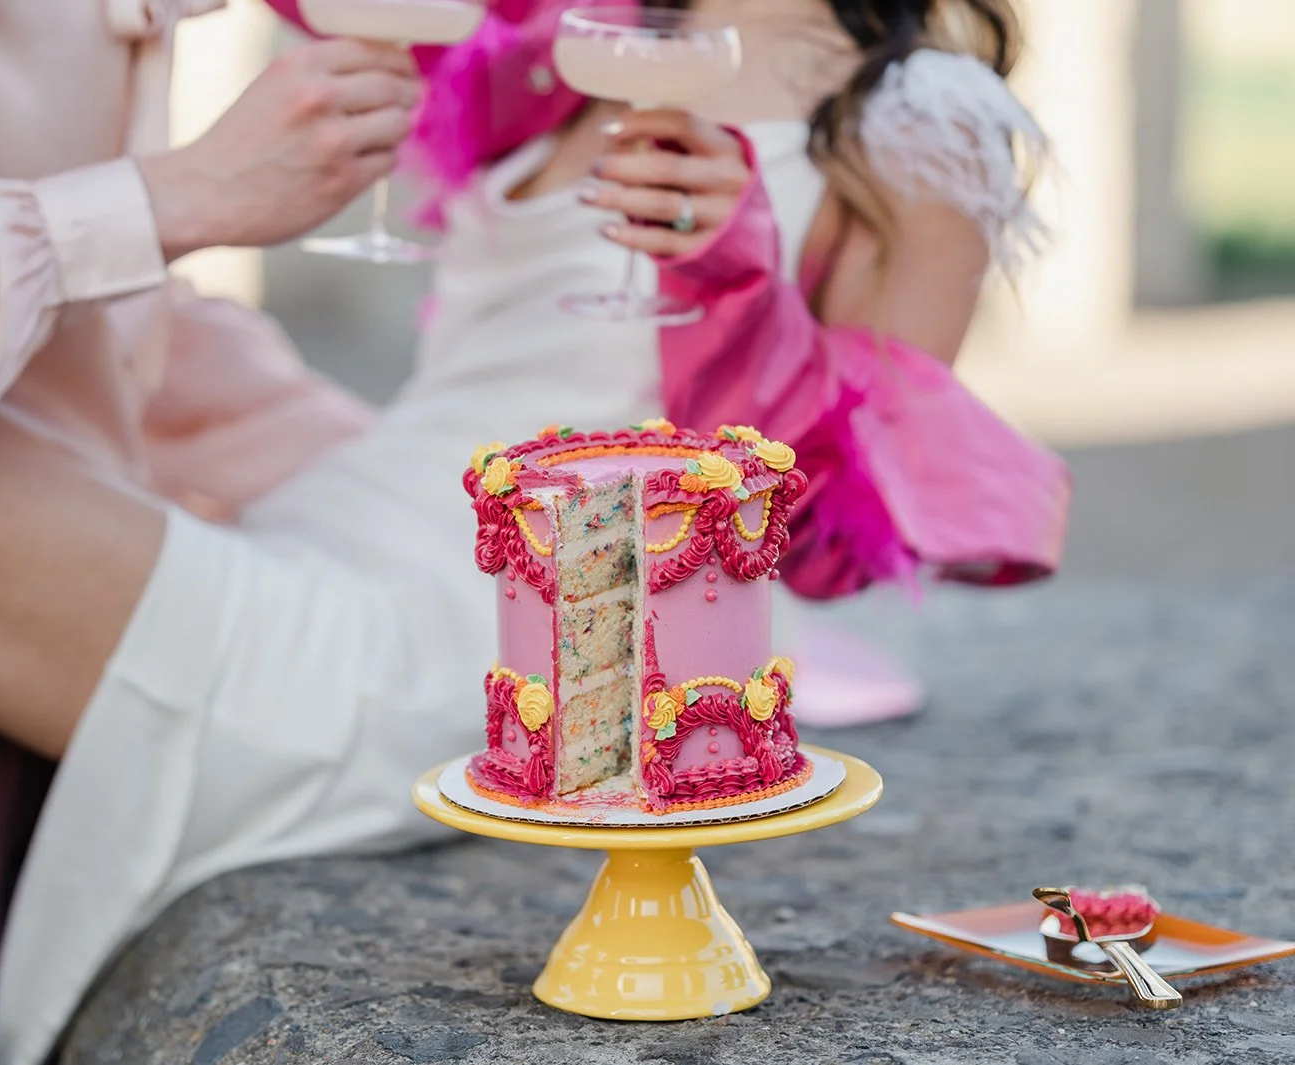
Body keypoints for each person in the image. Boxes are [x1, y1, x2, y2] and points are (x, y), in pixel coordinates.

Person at [0, 4, 1069, 1065]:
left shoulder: (914, 126)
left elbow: (835, 540)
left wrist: (736, 284)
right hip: (330, 526)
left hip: (500, 634)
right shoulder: (570, 51)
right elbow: (456, 393)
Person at [269, 0, 1071, 727]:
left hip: (565, 617)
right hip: (358, 513)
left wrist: (730, 279)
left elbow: (858, 484)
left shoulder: (919, 113)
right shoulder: (574, 35)